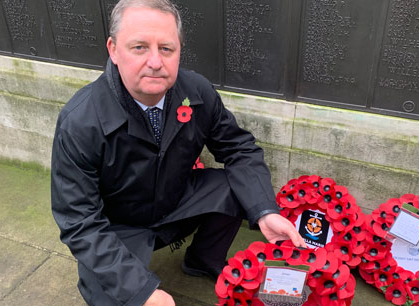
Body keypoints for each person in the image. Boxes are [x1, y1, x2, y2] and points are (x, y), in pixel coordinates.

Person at [50, 0, 305, 305]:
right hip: (118, 227)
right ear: (114, 50)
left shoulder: (197, 91)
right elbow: (79, 221)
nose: (155, 62)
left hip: (176, 200)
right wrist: (140, 291)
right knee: (113, 294)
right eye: (140, 47)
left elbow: (239, 149)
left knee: (237, 187)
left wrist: (265, 210)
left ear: (179, 50)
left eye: (166, 49)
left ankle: (202, 258)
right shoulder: (80, 121)